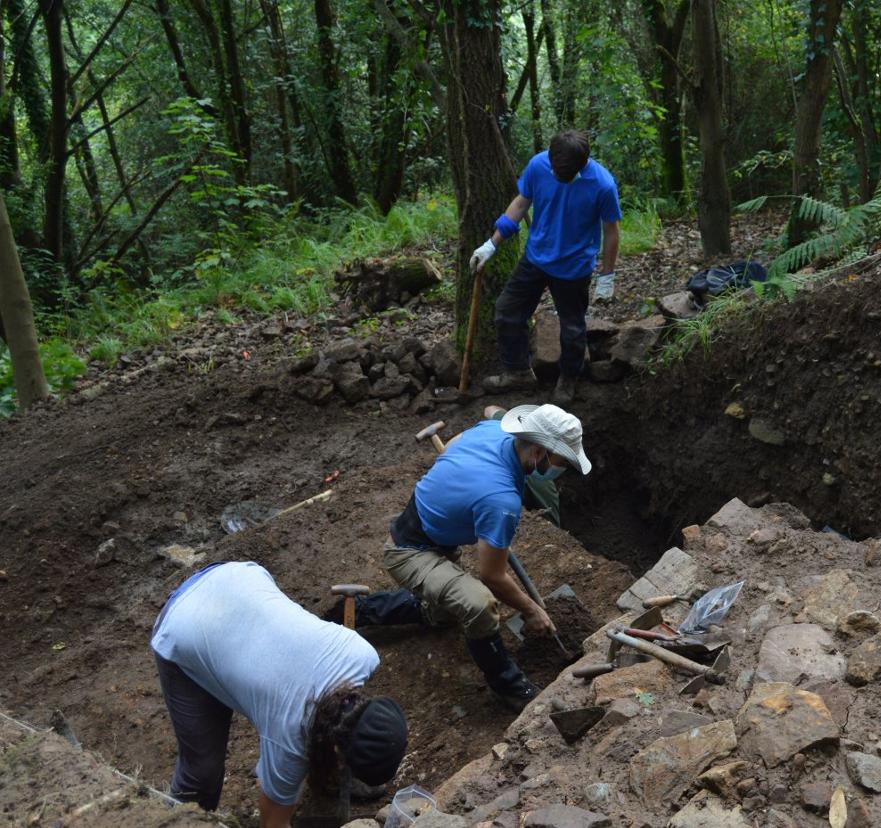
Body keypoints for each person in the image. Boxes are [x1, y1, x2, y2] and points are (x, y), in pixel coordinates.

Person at [342, 404, 591, 713]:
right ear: (539, 452)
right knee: (479, 605)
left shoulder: (493, 432)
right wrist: (531, 610)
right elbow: (492, 576)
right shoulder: (500, 500)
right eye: (561, 461)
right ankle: (510, 686)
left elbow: (453, 447)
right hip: (409, 552)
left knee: (449, 611)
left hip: (431, 534)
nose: (561, 469)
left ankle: (358, 610)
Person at [151, 561, 407, 827]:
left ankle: (331, 777)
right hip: (184, 623)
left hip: (238, 578)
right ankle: (178, 821)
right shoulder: (288, 744)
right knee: (201, 772)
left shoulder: (362, 655)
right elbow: (274, 824)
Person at [469, 130, 621, 404]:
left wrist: (607, 275)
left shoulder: (602, 185)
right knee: (507, 312)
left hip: (574, 268)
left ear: (583, 164)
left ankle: (568, 379)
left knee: (572, 329)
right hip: (536, 257)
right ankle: (518, 372)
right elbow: (521, 202)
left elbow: (611, 230)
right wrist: (492, 244)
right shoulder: (539, 165)